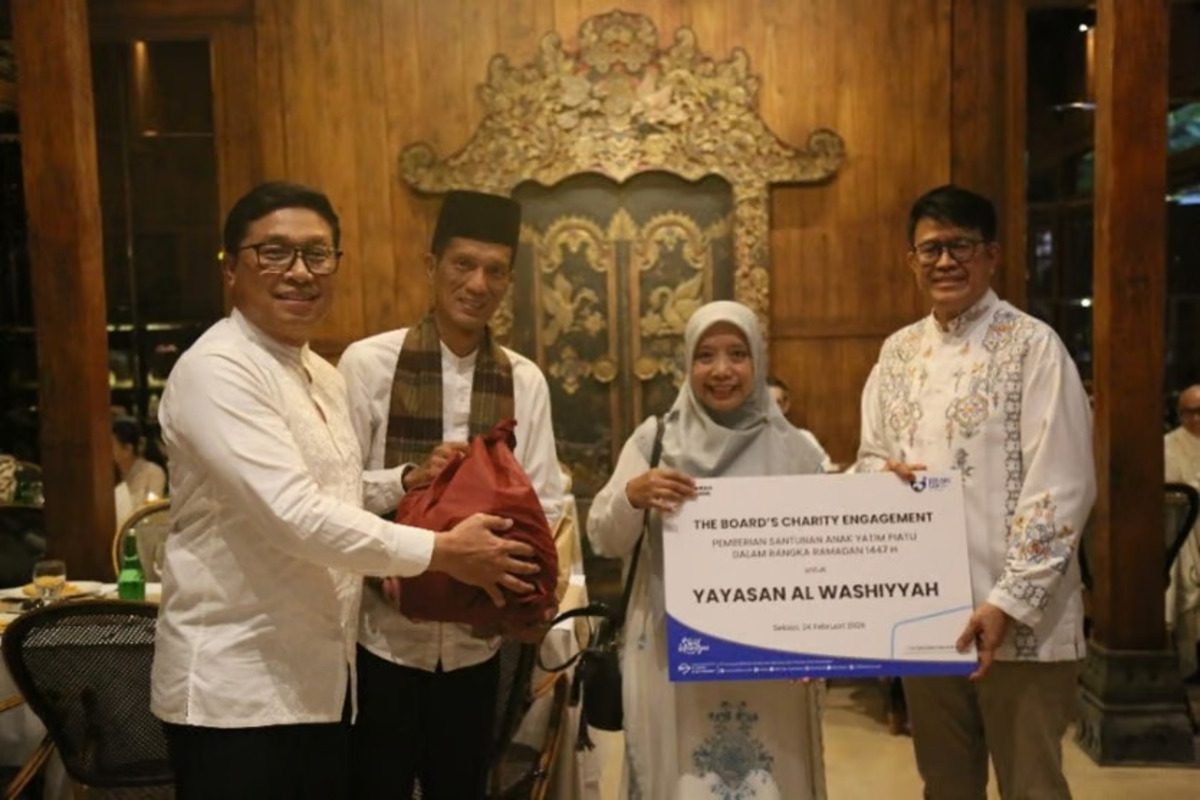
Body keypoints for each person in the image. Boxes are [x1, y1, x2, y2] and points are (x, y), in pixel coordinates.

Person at [151, 182, 539, 800]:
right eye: (274, 253)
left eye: (317, 254)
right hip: (235, 692)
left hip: (320, 685)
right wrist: (442, 551)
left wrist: (404, 480)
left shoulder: (318, 374)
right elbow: (295, 515)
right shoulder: (217, 369)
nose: (300, 272)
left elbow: (333, 491)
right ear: (230, 268)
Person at [856, 185, 1095, 799]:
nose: (945, 261)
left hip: (1020, 625)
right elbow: (870, 458)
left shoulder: (1034, 346)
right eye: (930, 248)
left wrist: (1006, 603)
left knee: (1032, 786)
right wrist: (879, 480)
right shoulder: (896, 353)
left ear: (992, 255)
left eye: (960, 246)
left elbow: (1063, 486)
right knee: (946, 785)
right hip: (926, 619)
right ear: (911, 260)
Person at [339, 189, 564, 799]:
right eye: (463, 264)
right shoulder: (368, 365)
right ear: (431, 265)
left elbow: (546, 502)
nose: (477, 284)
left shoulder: (523, 379)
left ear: (508, 281)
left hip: (477, 644)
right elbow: (332, 498)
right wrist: (409, 478)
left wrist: (525, 590)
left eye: (495, 271)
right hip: (379, 638)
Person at [588, 300, 827, 799]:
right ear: (687, 364)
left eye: (737, 354)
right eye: (705, 356)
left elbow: (831, 551)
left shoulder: (797, 449)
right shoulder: (656, 440)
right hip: (673, 657)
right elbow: (604, 538)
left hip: (770, 662)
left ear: (758, 360)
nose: (721, 370)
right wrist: (633, 495)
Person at [1165, 383, 1200, 679]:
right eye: (1190, 412)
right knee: (1188, 589)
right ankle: (1189, 664)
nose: (1196, 418)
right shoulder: (1168, 445)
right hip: (1185, 529)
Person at [766, 375, 833, 472]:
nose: (772, 409)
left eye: (777, 403)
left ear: (785, 406)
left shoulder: (804, 437)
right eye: (767, 403)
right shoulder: (749, 442)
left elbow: (826, 468)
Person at [111, 416, 166, 506]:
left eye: (111, 446)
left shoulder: (153, 473)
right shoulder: (109, 476)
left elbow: (151, 510)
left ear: (128, 449)